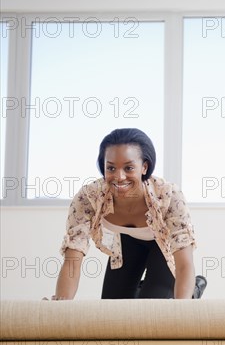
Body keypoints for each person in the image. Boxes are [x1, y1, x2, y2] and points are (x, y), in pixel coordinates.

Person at [52, 128, 206, 300]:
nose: (119, 177)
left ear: (144, 167)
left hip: (163, 247)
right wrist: (61, 305)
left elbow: (184, 264)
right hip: (127, 245)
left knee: (150, 315)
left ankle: (193, 291)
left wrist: (183, 308)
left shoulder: (169, 195)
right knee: (112, 317)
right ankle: (141, 290)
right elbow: (73, 257)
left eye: (129, 168)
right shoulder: (89, 198)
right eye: (111, 168)